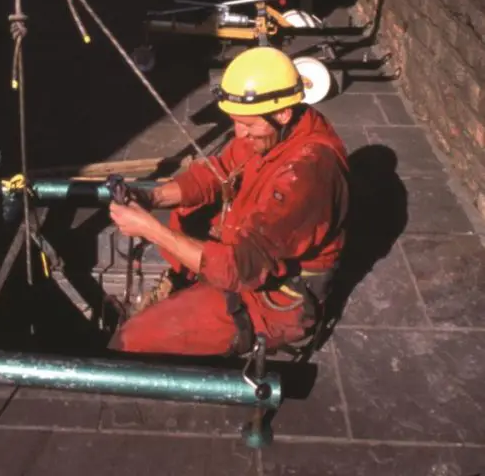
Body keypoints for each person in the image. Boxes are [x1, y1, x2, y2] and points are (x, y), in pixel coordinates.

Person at [108, 46, 349, 357]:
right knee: (187, 207)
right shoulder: (275, 131)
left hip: (271, 298)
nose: (239, 133)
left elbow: (241, 268)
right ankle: (187, 284)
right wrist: (151, 196)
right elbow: (216, 174)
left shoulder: (307, 175)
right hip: (246, 252)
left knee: (130, 341)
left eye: (247, 125)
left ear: (282, 114)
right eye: (236, 122)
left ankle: (199, 310)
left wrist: (152, 230)